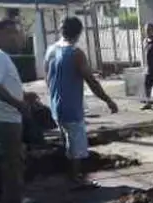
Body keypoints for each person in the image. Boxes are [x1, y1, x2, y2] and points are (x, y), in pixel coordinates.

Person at [45, 17, 118, 188]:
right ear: (79, 33)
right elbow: (92, 82)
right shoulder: (75, 53)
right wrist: (108, 101)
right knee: (76, 147)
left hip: (56, 105)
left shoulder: (51, 50)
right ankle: (77, 180)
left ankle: (69, 177)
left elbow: (47, 78)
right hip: (71, 107)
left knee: (67, 142)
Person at [0, 18, 32, 203]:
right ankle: (15, 201)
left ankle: (11, 197)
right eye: (12, 33)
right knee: (13, 160)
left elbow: (1, 82)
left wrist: (23, 94)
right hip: (5, 116)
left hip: (3, 114)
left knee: (12, 158)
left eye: (17, 33)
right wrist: (18, 103)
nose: (16, 38)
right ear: (0, 33)